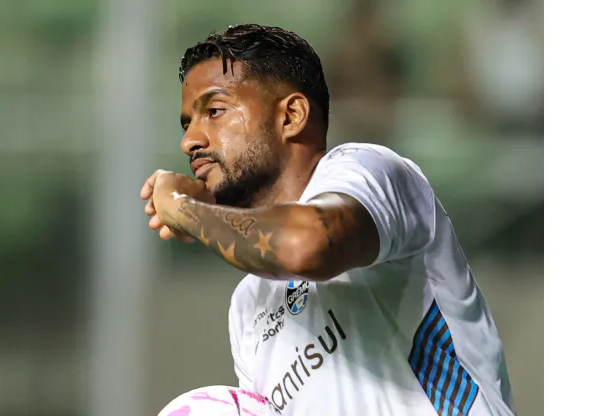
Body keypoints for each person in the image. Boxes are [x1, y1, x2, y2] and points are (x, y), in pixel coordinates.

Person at [140, 24, 515, 416]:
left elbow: (307, 245)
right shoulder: (248, 305)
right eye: (187, 123)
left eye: (214, 111)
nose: (190, 141)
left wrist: (184, 210)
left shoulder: (373, 171)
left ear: (292, 116)